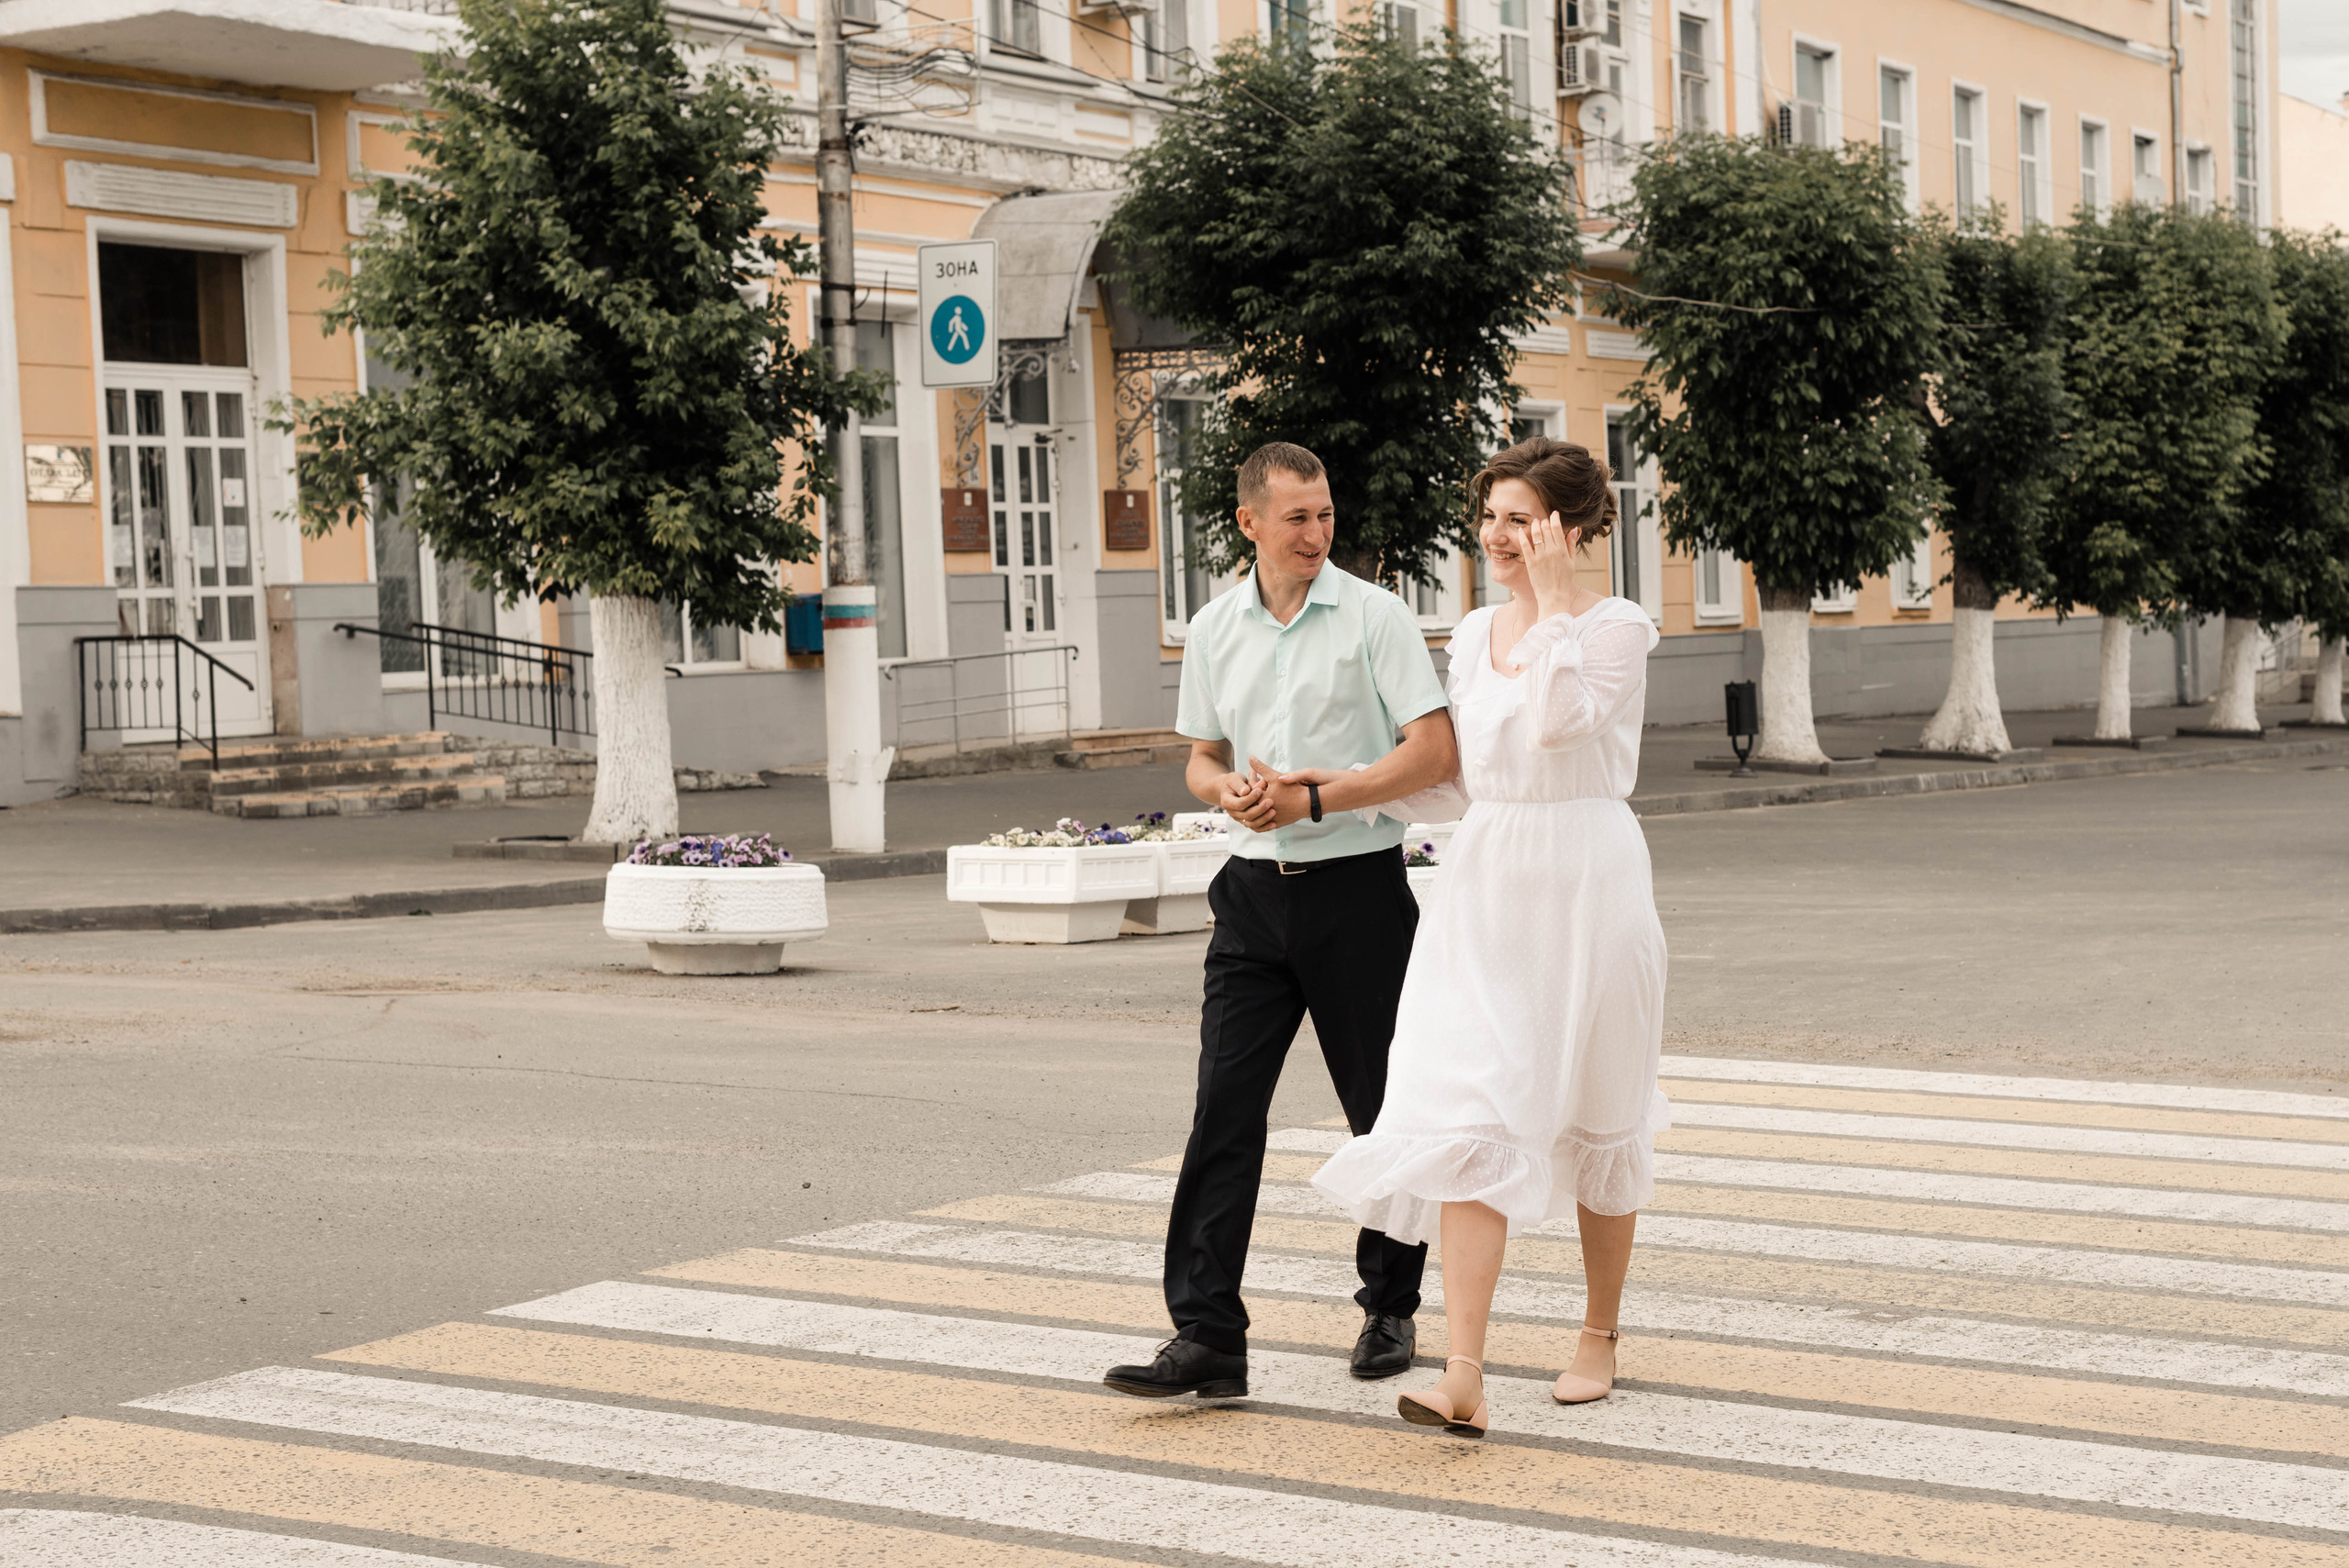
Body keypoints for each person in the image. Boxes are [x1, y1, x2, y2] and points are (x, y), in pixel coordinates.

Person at [1308, 436, 1668, 1438]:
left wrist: (1553, 608)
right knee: (1469, 1105)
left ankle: (1597, 1332)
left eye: (1522, 519)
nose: (1499, 537)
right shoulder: (1468, 633)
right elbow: (1469, 775)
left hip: (1588, 880)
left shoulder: (1615, 626)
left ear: (1574, 528)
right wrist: (1341, 784)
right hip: (1488, 877)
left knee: (1600, 1105)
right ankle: (1461, 1370)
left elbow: (1560, 727)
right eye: (1492, 518)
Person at [1103, 441, 1461, 1401]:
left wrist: (1319, 800)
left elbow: (1428, 752)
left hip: (1356, 889)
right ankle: (1207, 1333)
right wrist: (1231, 789)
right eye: (1296, 517)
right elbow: (1200, 759)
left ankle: (1390, 1303)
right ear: (1249, 522)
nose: (1316, 532)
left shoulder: (1376, 617)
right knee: (1223, 1112)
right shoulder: (1216, 627)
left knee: (1382, 1111)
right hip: (1252, 896)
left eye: (1325, 512)